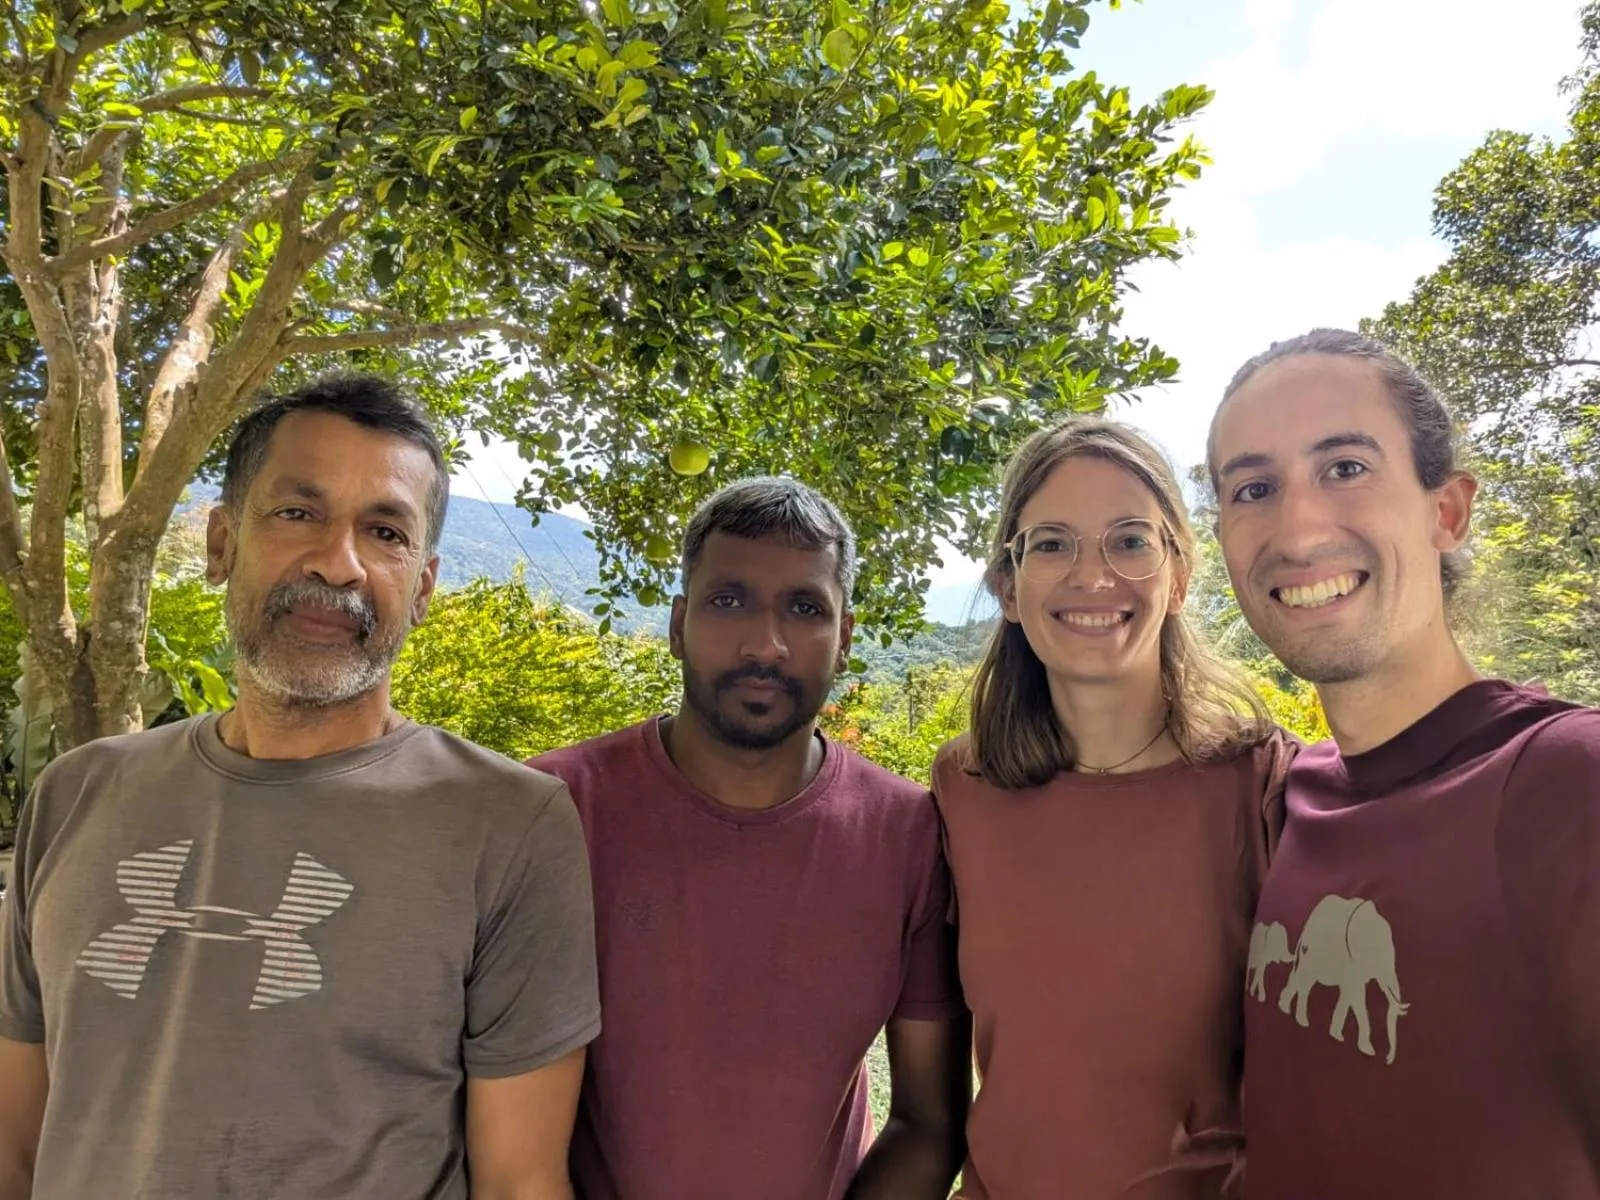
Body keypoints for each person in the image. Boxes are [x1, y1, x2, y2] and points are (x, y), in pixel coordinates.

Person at [0, 375, 600, 1200]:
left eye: (385, 531)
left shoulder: (508, 824)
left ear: (421, 588)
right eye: (297, 513)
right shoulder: (78, 796)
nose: (338, 562)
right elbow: (16, 1147)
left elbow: (520, 1181)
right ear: (220, 544)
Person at [1208, 328, 1600, 1199]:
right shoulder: (1291, 795)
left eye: (1345, 467)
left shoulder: (1566, 783)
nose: (1298, 527)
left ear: (1446, 512)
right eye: (1253, 488)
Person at [529, 476, 970, 1200]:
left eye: (804, 608)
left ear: (846, 637)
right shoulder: (554, 809)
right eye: (728, 601)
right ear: (677, 624)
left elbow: (930, 1119)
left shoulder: (909, 834)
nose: (765, 644)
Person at [932, 417, 1295, 1199]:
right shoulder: (964, 789)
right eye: (1053, 543)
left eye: (1130, 541)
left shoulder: (1263, 784)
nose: (1092, 577)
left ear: (1178, 578)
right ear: (1008, 587)